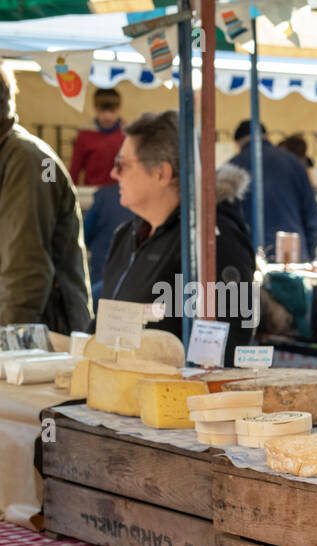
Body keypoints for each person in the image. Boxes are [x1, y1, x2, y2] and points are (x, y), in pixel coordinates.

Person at [102, 111, 255, 366]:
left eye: (122, 165)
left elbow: (230, 344)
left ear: (161, 173)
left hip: (171, 399)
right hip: (114, 393)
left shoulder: (213, 239)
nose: (113, 174)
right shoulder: (126, 235)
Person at [0, 65, 92, 334]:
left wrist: (8, 340)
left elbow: (26, 266)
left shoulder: (28, 160)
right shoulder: (15, 154)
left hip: (45, 330)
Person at [228, 119, 317, 258]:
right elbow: (313, 215)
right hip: (293, 252)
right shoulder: (294, 162)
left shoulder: (232, 167)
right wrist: (309, 252)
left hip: (249, 253)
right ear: (267, 136)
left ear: (237, 143)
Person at [70, 87, 125, 187]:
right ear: (96, 108)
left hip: (121, 192)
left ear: (119, 108)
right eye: (103, 111)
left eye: (112, 111)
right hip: (93, 191)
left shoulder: (127, 135)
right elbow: (75, 169)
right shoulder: (84, 135)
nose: (107, 116)